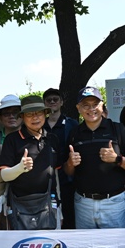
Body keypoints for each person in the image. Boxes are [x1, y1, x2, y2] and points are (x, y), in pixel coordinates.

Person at [65, 88, 125, 229]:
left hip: (114, 202)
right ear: (78, 108)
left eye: (95, 104)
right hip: (83, 204)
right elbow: (68, 171)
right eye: (86, 105)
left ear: (102, 105)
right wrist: (70, 163)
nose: (91, 109)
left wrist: (117, 159)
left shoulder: (118, 129)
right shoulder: (74, 133)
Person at [0, 96, 64, 230]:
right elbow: (4, 175)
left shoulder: (52, 139)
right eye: (29, 114)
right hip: (20, 205)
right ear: (22, 117)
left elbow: (55, 173)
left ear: (45, 114)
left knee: (50, 246)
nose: (35, 117)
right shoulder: (12, 140)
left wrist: (60, 207)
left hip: (49, 204)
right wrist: (20, 168)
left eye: (39, 113)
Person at [44, 88, 77, 229]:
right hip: (45, 179)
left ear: (61, 102)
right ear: (44, 103)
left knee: (69, 216)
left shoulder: (72, 124)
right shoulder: (39, 124)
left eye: (55, 99)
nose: (52, 102)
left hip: (67, 178)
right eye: (48, 100)